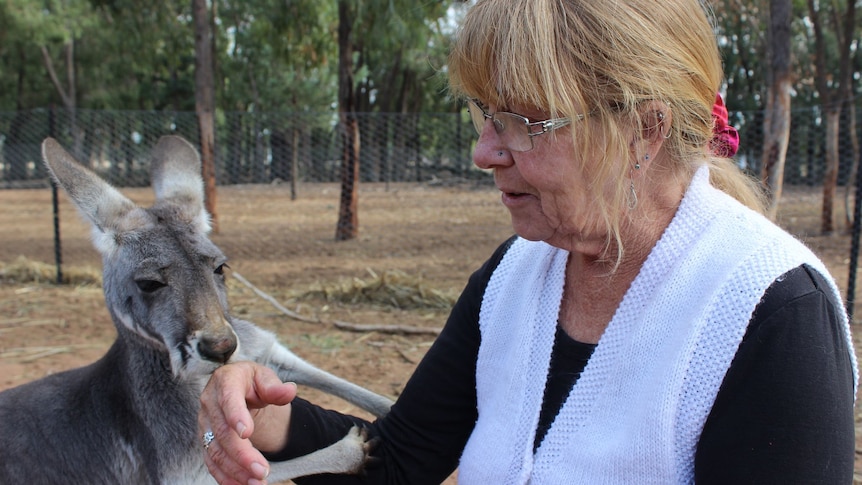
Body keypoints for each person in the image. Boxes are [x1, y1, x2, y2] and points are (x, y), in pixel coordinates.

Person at [199, 0, 858, 484]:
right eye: (488, 115)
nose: (485, 150)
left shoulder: (771, 316)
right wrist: (262, 418)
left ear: (645, 130)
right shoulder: (517, 277)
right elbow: (397, 459)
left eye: (523, 121)